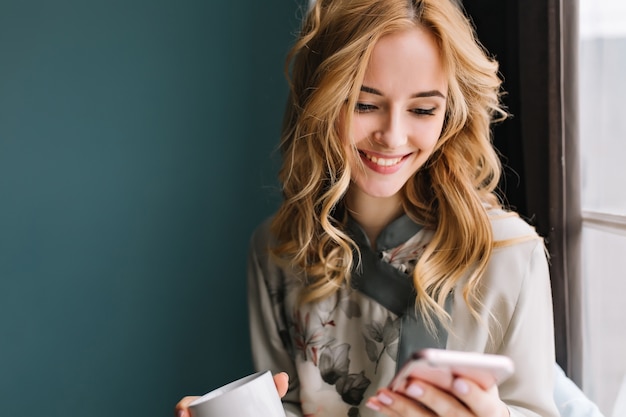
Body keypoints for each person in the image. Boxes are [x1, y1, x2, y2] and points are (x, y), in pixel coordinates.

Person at [177, 0, 591, 416]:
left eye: (423, 109)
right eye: (364, 104)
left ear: (449, 114)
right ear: (318, 100)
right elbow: (285, 405)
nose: (392, 137)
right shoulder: (278, 249)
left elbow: (535, 408)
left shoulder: (509, 254)